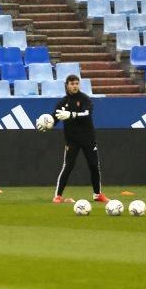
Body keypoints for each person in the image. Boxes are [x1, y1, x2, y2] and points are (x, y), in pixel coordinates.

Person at [37, 75, 108, 204]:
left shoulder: (85, 99)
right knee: (68, 166)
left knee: (93, 166)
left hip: (88, 138)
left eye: (77, 83)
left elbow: (86, 114)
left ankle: (98, 195)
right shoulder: (62, 103)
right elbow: (55, 117)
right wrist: (47, 122)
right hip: (72, 140)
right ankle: (58, 196)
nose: (75, 86)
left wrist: (71, 114)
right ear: (67, 85)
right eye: (72, 83)